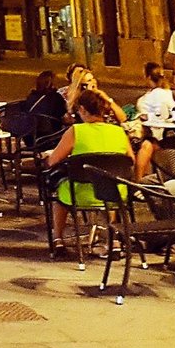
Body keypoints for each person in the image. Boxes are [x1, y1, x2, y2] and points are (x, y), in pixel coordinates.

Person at [43, 89, 134, 249]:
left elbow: (53, 161)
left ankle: (58, 238)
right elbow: (131, 160)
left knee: (60, 192)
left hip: (80, 194)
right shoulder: (119, 132)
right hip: (116, 195)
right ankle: (112, 239)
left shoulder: (76, 131)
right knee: (109, 183)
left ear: (83, 109)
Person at [9, 71, 68, 149]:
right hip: (50, 137)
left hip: (29, 138)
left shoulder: (31, 96)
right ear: (52, 84)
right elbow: (63, 116)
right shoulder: (56, 98)